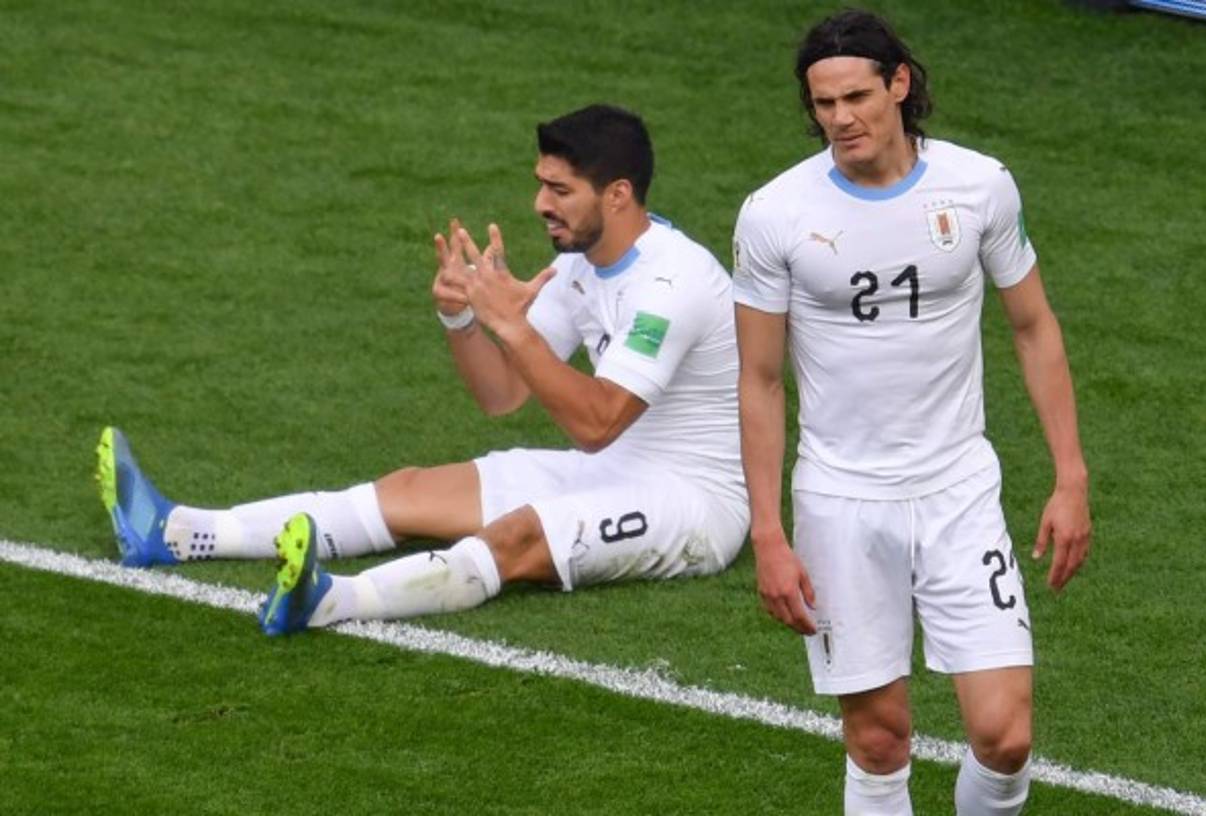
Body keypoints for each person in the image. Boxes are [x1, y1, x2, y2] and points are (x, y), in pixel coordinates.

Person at [97, 103, 747, 637]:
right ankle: (178, 532)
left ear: (619, 194)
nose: (539, 203)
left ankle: (330, 600)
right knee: (408, 491)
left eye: (559, 189)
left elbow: (598, 420)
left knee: (515, 538)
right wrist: (464, 319)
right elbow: (502, 393)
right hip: (613, 469)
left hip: (690, 504)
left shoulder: (672, 282)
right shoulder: (582, 264)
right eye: (540, 183)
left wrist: (513, 327)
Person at [732, 11, 1091, 816]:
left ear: (899, 85)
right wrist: (767, 533)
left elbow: (1033, 327)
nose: (841, 119)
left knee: (1004, 737)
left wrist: (1070, 476)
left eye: (857, 96)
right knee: (879, 739)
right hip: (840, 503)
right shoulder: (775, 214)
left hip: (959, 490)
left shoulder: (979, 187)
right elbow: (759, 379)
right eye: (823, 104)